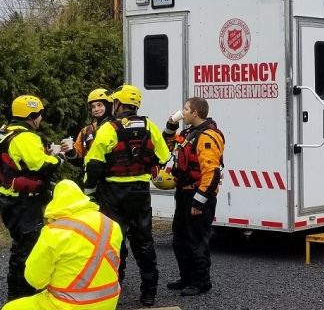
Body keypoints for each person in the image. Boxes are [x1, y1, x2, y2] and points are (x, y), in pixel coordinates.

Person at [84, 84, 170, 307]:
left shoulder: (109, 128)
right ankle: (149, 293)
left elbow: (94, 164)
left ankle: (114, 285)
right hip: (140, 193)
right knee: (144, 241)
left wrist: (89, 192)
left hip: (113, 193)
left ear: (117, 104)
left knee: (114, 241)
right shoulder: (149, 125)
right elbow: (163, 156)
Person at [1, 179, 122, 310]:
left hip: (68, 306)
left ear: (56, 203)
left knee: (10, 307)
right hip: (108, 302)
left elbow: (35, 280)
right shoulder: (111, 225)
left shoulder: (54, 232)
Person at [0, 95, 63, 301]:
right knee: (27, 250)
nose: (41, 119)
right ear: (32, 115)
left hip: (9, 199)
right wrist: (58, 159)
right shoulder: (26, 137)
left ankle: (14, 295)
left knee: (19, 247)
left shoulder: (5, 132)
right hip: (24, 202)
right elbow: (41, 166)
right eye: (40, 114)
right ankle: (25, 296)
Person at [163, 97, 225, 296]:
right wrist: (171, 126)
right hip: (183, 193)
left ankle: (201, 282)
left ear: (195, 113)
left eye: (186, 109)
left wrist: (200, 201)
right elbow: (169, 147)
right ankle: (187, 278)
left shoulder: (207, 136)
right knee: (179, 239)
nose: (183, 112)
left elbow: (212, 172)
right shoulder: (188, 133)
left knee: (196, 240)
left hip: (197, 196)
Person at [62, 88, 113, 185]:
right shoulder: (86, 131)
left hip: (112, 180)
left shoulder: (117, 127)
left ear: (108, 105)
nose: (96, 109)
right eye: (93, 107)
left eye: (99, 105)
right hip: (92, 181)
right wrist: (70, 151)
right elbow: (78, 160)